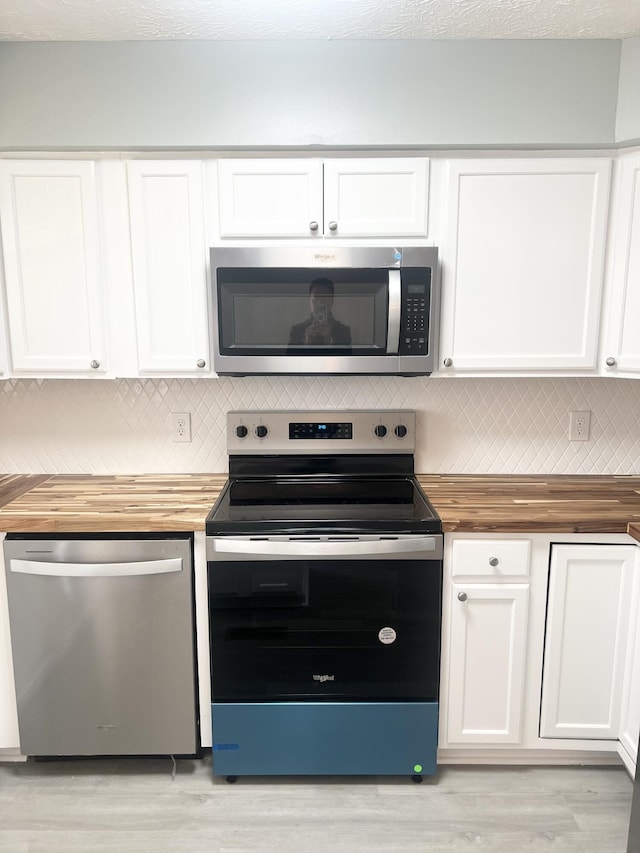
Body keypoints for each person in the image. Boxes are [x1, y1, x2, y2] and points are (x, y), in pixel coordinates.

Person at [288, 277, 352, 348]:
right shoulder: (297, 331)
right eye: (316, 297)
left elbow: (347, 358)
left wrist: (330, 343)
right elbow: (289, 358)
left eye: (325, 297)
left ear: (332, 300)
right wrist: (306, 343)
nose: (320, 302)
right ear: (309, 300)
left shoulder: (343, 331)